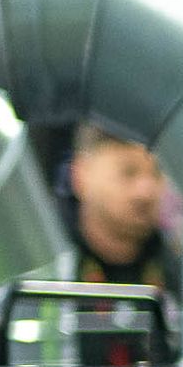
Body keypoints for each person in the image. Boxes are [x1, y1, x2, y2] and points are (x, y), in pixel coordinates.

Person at [62, 124, 175, 298]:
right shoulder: (49, 268)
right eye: (128, 172)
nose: (146, 191)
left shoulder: (181, 274)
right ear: (80, 175)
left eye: (156, 173)